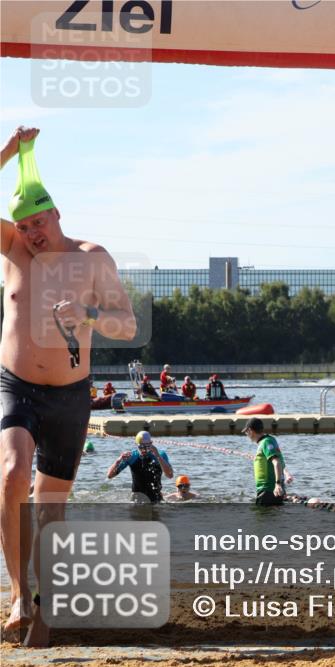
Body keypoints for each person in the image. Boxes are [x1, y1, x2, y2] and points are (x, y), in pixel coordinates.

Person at [0, 126, 136, 645]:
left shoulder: (91, 257)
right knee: (12, 473)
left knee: (50, 508)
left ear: (57, 214)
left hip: (70, 396)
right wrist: (11, 153)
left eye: (39, 221)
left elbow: (126, 325)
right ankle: (17, 591)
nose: (33, 232)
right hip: (15, 386)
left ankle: (44, 611)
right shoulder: (13, 250)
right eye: (24, 225)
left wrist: (89, 314)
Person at [106, 431, 173, 504]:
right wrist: (118, 460)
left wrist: (158, 456)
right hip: (137, 497)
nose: (143, 450)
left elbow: (170, 475)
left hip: (156, 496)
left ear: (151, 443)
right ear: (137, 445)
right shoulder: (132, 456)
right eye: (141, 447)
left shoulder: (161, 454)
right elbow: (110, 475)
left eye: (147, 447)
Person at [243, 418, 285, 506]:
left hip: (268, 490)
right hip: (271, 490)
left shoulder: (266, 442)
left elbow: (277, 462)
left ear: (250, 430)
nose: (247, 435)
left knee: (261, 518)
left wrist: (278, 484)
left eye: (246, 432)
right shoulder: (267, 441)